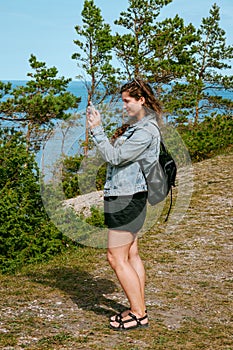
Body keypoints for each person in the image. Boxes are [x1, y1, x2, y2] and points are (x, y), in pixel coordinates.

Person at [87, 79, 162, 331]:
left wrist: (96, 129)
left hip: (126, 198)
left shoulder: (144, 131)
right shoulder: (139, 126)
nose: (124, 105)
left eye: (128, 100)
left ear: (142, 100)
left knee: (115, 257)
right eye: (123, 100)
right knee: (131, 254)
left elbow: (115, 157)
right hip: (130, 195)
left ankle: (139, 314)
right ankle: (138, 307)